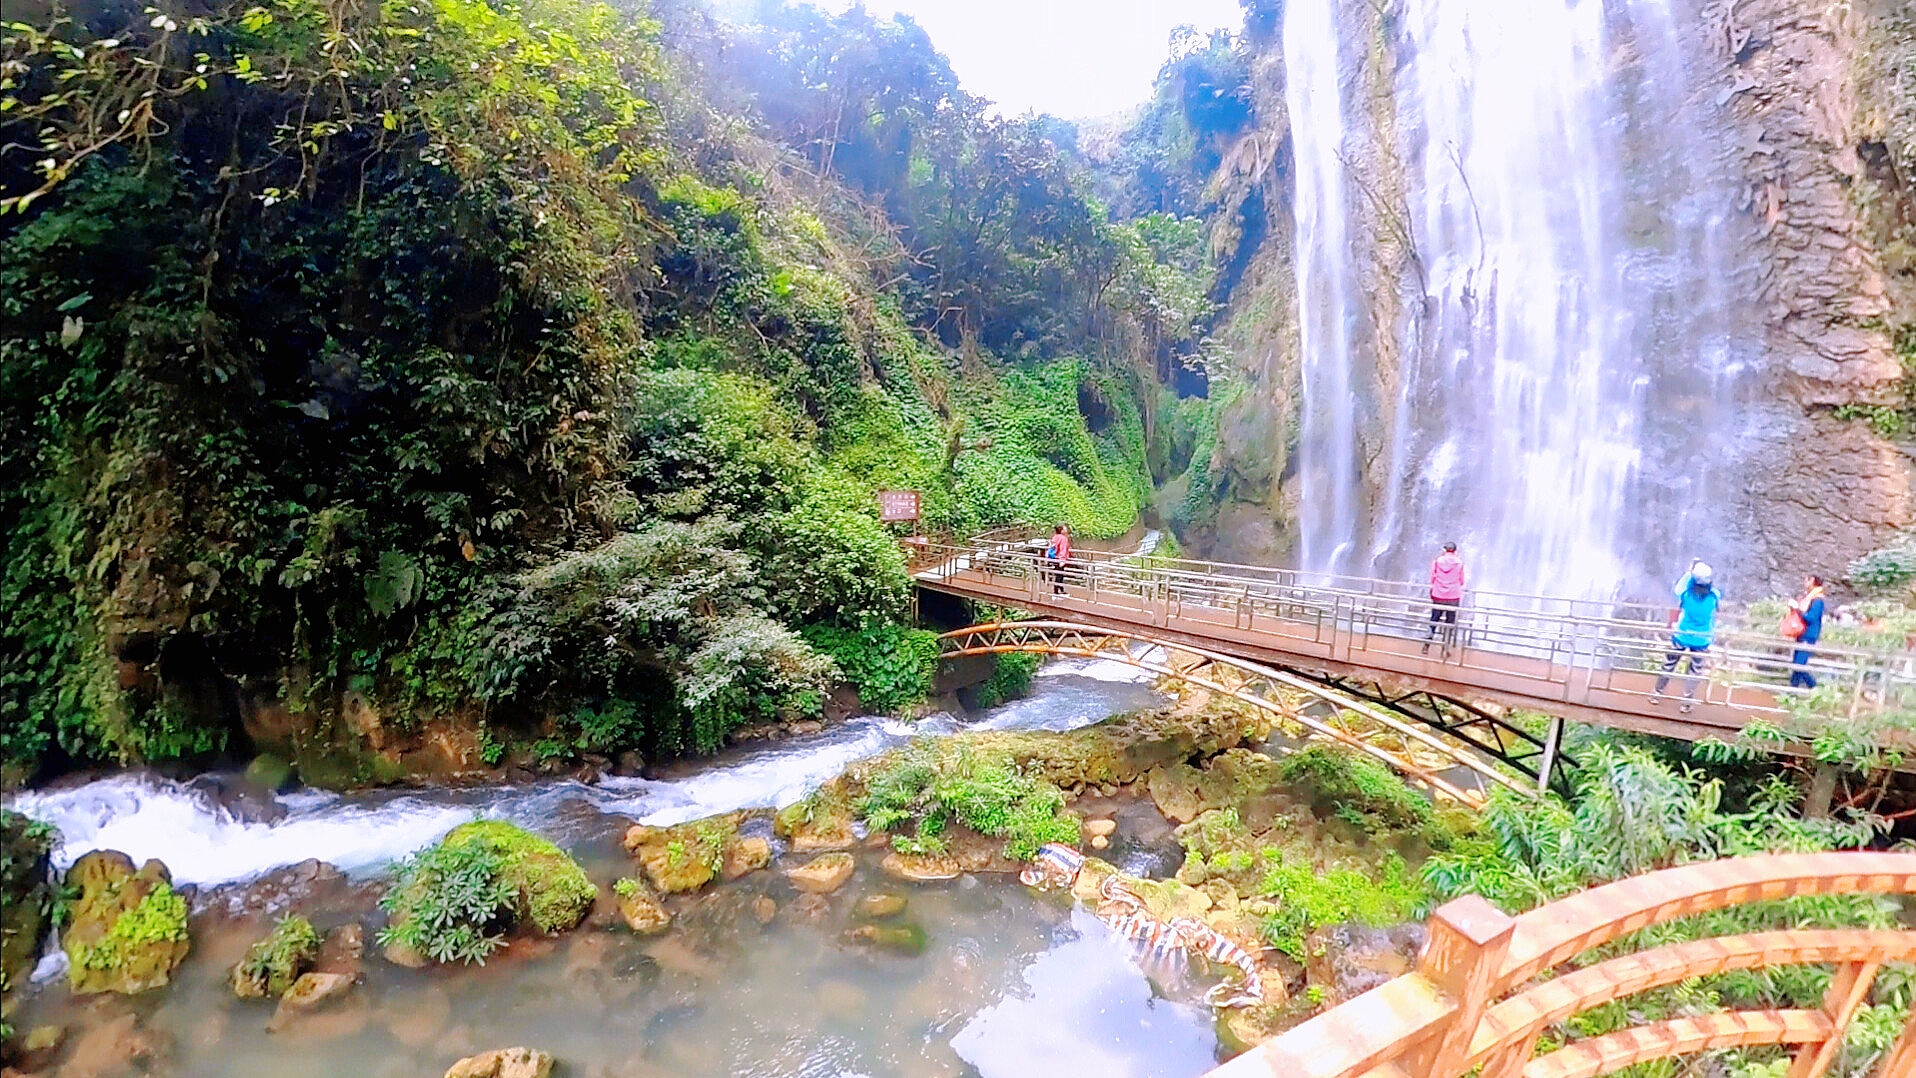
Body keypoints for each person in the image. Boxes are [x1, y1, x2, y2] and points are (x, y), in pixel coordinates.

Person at [1652, 560, 1719, 712]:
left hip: (1681, 635)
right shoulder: (1714, 596)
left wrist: (1690, 571)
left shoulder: (1686, 594)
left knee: (1669, 664)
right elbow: (1712, 590)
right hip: (1702, 639)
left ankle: (1656, 694)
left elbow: (1679, 588)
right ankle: (1686, 703)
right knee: (1695, 671)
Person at [1786, 575, 1826, 689]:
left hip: (1809, 636)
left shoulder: (1817, 600)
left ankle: (1815, 688)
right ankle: (1792, 690)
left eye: (1807, 580)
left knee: (1799, 665)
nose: (1804, 582)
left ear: (1813, 582)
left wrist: (1797, 609)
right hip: (1802, 634)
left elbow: (1811, 618)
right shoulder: (1809, 598)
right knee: (1797, 664)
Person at [1424, 541, 1464, 652]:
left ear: (1445, 550)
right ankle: (1445, 648)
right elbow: (1462, 580)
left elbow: (1432, 577)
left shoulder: (1437, 561)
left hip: (1438, 594)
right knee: (1450, 623)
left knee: (1434, 619)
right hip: (1453, 596)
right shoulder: (1459, 563)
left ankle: (1427, 645)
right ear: (1455, 551)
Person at [1045, 523, 1071, 595]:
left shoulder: (1055, 537)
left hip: (1054, 558)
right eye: (1065, 528)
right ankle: (1058, 591)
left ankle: (1059, 590)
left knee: (1058, 574)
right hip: (1060, 559)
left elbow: (1051, 546)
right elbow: (1063, 549)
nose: (1066, 529)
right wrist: (1062, 560)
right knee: (1060, 575)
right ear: (1061, 530)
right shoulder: (1063, 538)